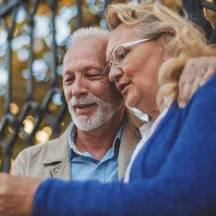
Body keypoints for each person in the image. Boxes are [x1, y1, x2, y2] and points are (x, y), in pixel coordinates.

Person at [1, 3, 216, 216]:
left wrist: (40, 196)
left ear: (167, 42)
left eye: (121, 55)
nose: (114, 74)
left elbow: (179, 198)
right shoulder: (152, 133)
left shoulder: (203, 93)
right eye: (68, 80)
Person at [12, 27, 144, 182]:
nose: (76, 90)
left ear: (118, 78)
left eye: (92, 75)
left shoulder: (157, 141)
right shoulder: (29, 164)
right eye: (69, 79)